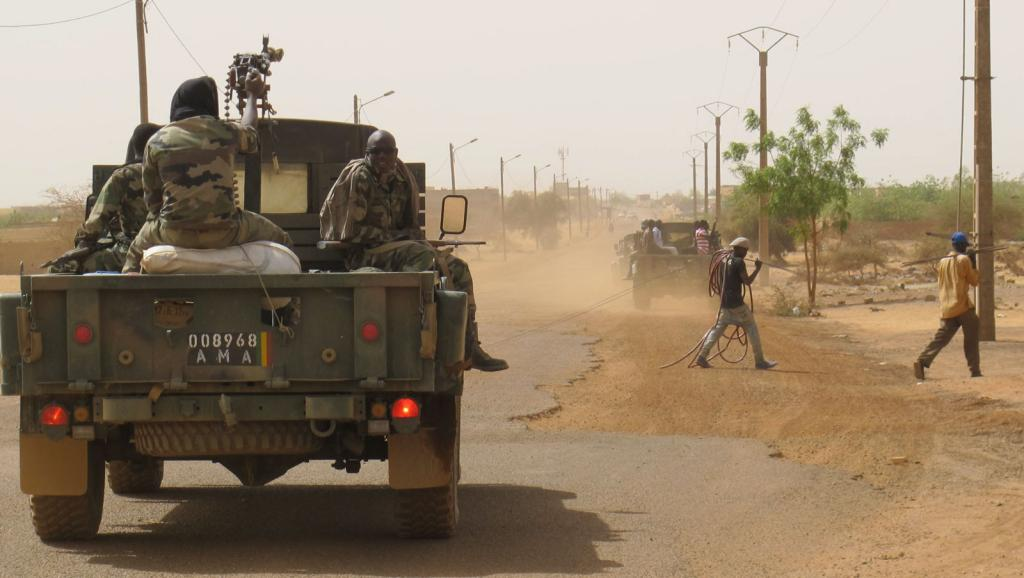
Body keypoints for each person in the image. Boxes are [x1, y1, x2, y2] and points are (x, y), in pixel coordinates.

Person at [319, 129, 508, 372]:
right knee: (425, 259)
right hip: (366, 254)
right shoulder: (361, 179)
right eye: (376, 152)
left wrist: (414, 238)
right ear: (367, 154)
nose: (383, 158)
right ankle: (418, 336)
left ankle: (470, 347)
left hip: (399, 250)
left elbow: (409, 227)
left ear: (396, 153)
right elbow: (352, 234)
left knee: (458, 268)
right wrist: (400, 237)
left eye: (388, 152)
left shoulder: (402, 179)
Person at [123, 74, 291, 272]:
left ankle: (132, 300)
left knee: (133, 257)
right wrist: (252, 95)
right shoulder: (227, 132)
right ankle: (292, 300)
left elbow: (152, 202)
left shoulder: (156, 141)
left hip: (172, 233)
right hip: (227, 231)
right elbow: (250, 130)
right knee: (282, 240)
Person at [49, 123, 161, 273]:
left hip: (131, 254)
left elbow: (96, 223)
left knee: (59, 268)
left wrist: (82, 242)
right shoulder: (173, 174)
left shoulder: (124, 176)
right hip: (173, 250)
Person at [695, 237, 777, 369]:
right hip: (737, 304)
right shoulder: (739, 262)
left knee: (716, 331)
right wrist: (757, 269)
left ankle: (702, 357)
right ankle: (760, 361)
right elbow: (747, 282)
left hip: (724, 303)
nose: (745, 253)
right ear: (740, 249)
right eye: (745, 250)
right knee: (751, 326)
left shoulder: (723, 261)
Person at [913, 232, 981, 379]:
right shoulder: (964, 260)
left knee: (940, 339)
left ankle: (921, 361)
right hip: (962, 306)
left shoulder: (943, 261)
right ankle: (974, 370)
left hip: (947, 307)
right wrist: (973, 262)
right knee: (971, 338)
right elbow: (974, 281)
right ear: (964, 246)